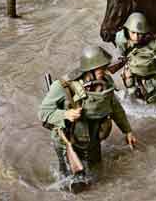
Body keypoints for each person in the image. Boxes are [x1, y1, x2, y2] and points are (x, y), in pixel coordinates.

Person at [39, 46, 137, 191]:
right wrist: (65, 114)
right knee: (71, 185)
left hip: (93, 138)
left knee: (97, 175)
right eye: (101, 69)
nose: (105, 72)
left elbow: (115, 107)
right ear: (89, 70)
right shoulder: (63, 86)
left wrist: (127, 131)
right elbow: (43, 113)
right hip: (68, 141)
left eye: (105, 68)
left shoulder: (105, 82)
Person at [115, 12, 156, 104]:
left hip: (151, 77)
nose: (136, 37)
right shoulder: (121, 39)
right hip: (132, 75)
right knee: (131, 92)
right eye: (133, 33)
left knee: (153, 100)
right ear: (127, 31)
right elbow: (122, 53)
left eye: (139, 34)